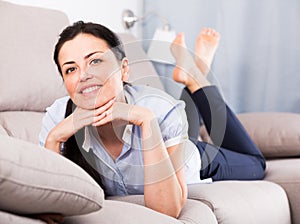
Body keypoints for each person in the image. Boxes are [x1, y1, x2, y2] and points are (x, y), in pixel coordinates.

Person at [39, 21, 265, 219]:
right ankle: (193, 71)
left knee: (256, 164)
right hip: (170, 136)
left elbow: (167, 211)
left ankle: (196, 77)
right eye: (70, 69)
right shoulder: (58, 118)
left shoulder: (157, 109)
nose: (84, 75)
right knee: (177, 124)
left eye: (95, 61)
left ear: (124, 69)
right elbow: (48, 207)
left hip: (188, 154)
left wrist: (147, 122)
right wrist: (54, 137)